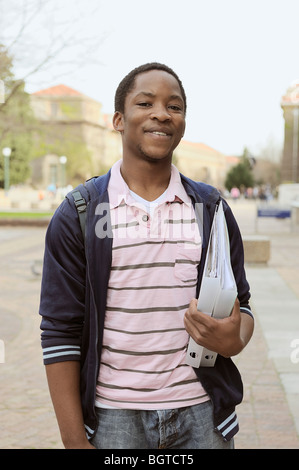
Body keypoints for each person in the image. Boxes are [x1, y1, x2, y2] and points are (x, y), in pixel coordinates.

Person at [39, 62, 254, 449]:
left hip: (202, 415)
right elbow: (59, 333)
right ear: (119, 120)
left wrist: (232, 340)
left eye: (174, 106)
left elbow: (244, 311)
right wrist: (73, 440)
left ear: (183, 122)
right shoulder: (80, 213)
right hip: (113, 420)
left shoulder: (210, 208)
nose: (161, 113)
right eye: (145, 102)